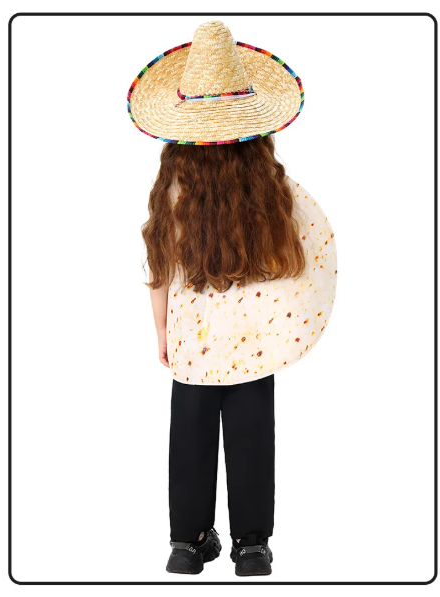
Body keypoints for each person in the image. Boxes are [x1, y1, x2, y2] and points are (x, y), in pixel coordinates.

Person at [127, 20, 338, 577]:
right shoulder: (272, 187)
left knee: (189, 434)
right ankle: (251, 544)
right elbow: (310, 246)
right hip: (256, 339)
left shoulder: (173, 187)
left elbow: (160, 268)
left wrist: (162, 331)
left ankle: (187, 541)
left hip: (192, 341)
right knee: (251, 433)